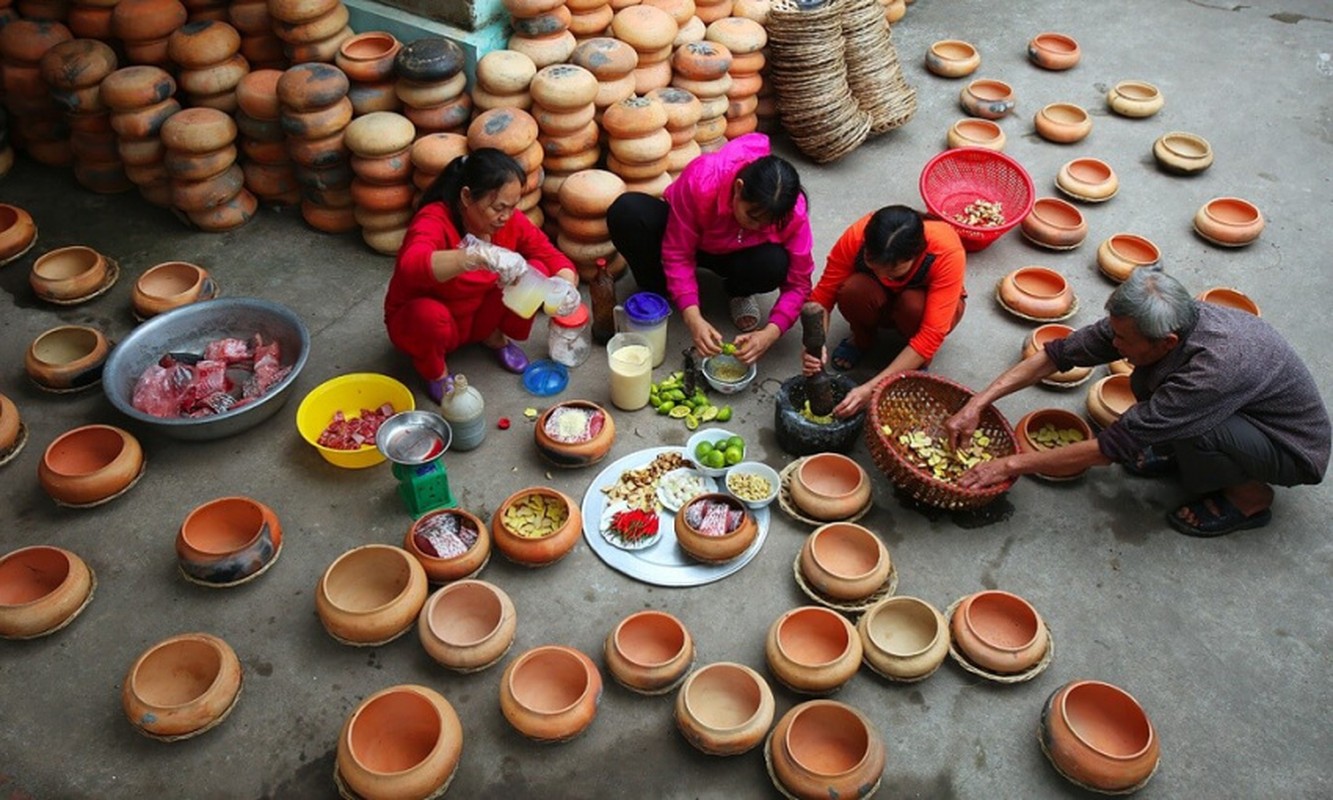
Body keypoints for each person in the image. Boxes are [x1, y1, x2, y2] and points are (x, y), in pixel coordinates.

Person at [943, 267, 1330, 537]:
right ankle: (1181, 450)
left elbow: (1110, 449)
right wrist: (978, 402)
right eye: (1114, 332)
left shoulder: (1213, 368)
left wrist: (1009, 464)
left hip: (1289, 447)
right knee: (1154, 394)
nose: (1114, 344)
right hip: (1240, 407)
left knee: (1199, 430)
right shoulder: (1146, 321)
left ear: (1168, 343)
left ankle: (1250, 497)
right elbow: (1055, 356)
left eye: (1124, 340)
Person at [386, 148, 579, 402]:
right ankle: (435, 372)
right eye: (498, 207)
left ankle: (492, 336)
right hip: (431, 322)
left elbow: (551, 256)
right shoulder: (434, 219)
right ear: (467, 197)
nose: (506, 217)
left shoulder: (509, 221)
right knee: (429, 316)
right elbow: (411, 265)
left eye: (512, 207)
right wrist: (474, 257)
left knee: (538, 272)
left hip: (476, 316)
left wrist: (566, 285)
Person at [606, 132, 814, 365]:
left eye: (766, 224)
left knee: (774, 263)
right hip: (692, 239)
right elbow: (678, 254)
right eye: (752, 216)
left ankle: (738, 290)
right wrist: (693, 316)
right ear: (738, 188)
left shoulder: (792, 214)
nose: (757, 226)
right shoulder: (703, 179)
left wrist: (771, 333)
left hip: (739, 255)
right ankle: (660, 289)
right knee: (628, 212)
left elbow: (799, 283)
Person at [802, 205, 967, 417]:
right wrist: (815, 346)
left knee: (913, 306)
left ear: (915, 255)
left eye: (893, 270)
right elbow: (823, 298)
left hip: (920, 306)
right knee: (853, 290)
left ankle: (915, 365)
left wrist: (870, 389)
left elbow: (930, 335)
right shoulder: (857, 237)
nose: (883, 275)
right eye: (873, 263)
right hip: (878, 298)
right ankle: (862, 339)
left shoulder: (946, 251)